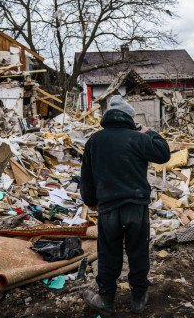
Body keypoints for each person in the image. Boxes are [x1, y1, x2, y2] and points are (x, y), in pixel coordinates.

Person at [81, 95, 170, 316]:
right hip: (136, 206)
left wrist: (91, 202)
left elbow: (87, 177)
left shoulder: (95, 140)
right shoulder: (138, 138)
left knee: (109, 253)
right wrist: (147, 131)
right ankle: (138, 298)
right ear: (131, 118)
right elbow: (164, 153)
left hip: (108, 208)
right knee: (138, 252)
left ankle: (107, 300)